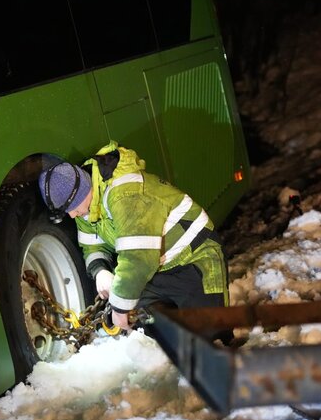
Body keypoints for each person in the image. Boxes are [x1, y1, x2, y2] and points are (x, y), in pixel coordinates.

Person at [38, 142, 228, 331]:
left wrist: (120, 308)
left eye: (72, 208)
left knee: (211, 336)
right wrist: (100, 270)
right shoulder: (87, 206)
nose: (72, 215)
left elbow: (137, 258)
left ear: (81, 193)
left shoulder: (124, 195)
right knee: (156, 334)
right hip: (157, 268)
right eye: (66, 211)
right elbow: (92, 245)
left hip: (194, 258)